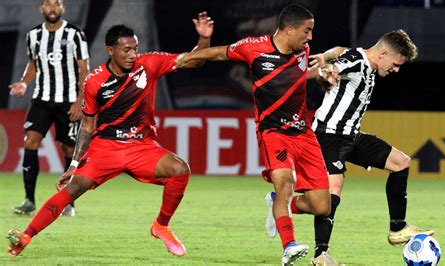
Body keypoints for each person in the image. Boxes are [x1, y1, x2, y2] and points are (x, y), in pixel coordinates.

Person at [6, 12, 214, 257]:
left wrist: (204, 40)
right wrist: (75, 164)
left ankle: (161, 226)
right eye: (126, 50)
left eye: (135, 49)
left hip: (141, 146)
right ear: (110, 50)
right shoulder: (95, 81)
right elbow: (87, 125)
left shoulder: (149, 64)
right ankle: (26, 236)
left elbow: (194, 61)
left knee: (180, 170)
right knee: (71, 190)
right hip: (106, 148)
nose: (132, 55)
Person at [175, 4, 338, 265]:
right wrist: (187, 56)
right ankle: (289, 246)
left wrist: (320, 76)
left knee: (322, 206)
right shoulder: (255, 47)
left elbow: (294, 77)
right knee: (285, 183)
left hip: (303, 133)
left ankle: (279, 206)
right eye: (307, 31)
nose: (310, 37)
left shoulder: (303, 51)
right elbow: (221, 54)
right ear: (289, 29)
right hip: (273, 132)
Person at [309, 30, 434, 265]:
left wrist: (325, 56)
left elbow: (337, 51)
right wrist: (327, 73)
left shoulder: (359, 59)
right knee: (332, 192)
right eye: (396, 64)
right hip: (330, 136)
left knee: (401, 162)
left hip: (352, 136)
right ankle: (320, 256)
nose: (396, 70)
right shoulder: (357, 61)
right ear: (384, 53)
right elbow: (336, 68)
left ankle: (397, 228)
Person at [9, 0, 90, 217]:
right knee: (30, 141)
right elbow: (33, 63)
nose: (52, 7)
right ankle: (28, 200)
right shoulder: (33, 35)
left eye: (57, 4)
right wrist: (24, 83)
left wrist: (80, 101)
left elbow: (84, 69)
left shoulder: (75, 34)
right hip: (41, 99)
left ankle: (68, 202)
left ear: (63, 8)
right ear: (41, 8)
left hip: (68, 100)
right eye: (48, 4)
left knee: (69, 150)